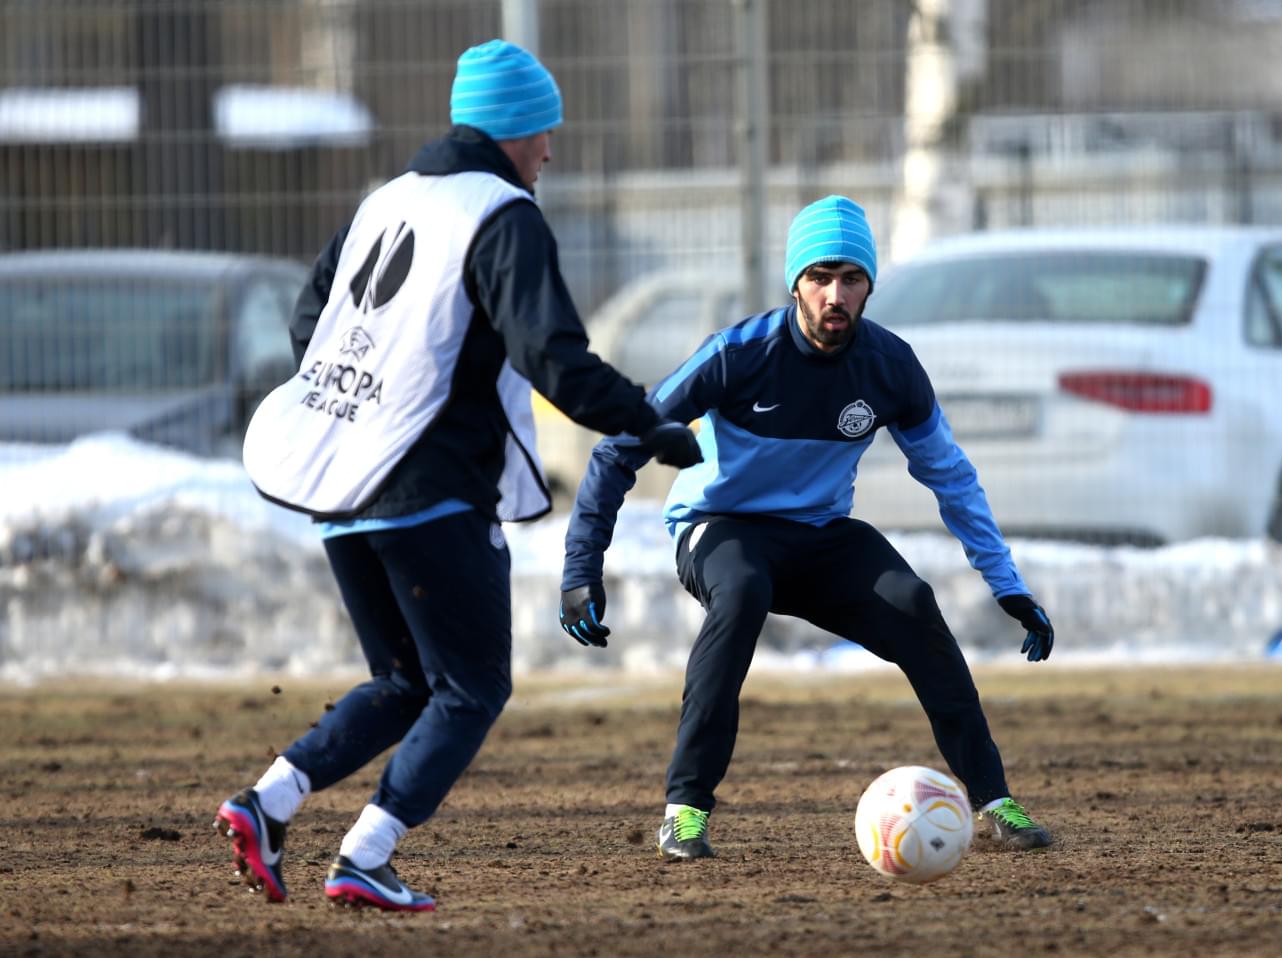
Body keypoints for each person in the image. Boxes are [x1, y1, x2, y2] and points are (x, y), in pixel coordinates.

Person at [213, 39, 702, 911]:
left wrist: (362, 412)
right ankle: (366, 854)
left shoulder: (383, 203)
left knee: (406, 682)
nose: (550, 150)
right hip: (429, 488)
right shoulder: (502, 216)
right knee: (474, 687)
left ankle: (268, 802)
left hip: (344, 492)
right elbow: (552, 356)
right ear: (515, 131)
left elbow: (308, 322)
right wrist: (647, 422)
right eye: (544, 131)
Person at [560, 195, 1057, 861]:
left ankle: (993, 798)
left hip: (820, 534)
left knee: (913, 604)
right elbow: (618, 448)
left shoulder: (891, 366)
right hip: (720, 526)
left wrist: (1007, 583)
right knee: (739, 594)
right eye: (820, 277)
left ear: (869, 286)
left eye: (851, 279)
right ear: (796, 281)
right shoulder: (737, 355)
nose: (835, 294)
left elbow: (951, 476)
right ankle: (684, 810)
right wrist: (580, 568)